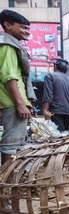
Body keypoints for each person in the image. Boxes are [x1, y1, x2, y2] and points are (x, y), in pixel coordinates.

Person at [0, 10, 37, 166]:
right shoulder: (8, 45)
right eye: (23, 28)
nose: (27, 32)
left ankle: (13, 176)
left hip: (13, 102)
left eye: (28, 29)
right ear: (7, 25)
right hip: (12, 102)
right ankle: (7, 182)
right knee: (11, 144)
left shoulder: (11, 43)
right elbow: (9, 77)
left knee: (18, 142)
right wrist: (20, 104)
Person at [42, 58, 69, 132]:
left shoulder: (50, 76)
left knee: (58, 134)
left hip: (56, 110)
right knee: (65, 133)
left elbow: (48, 96)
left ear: (56, 66)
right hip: (68, 111)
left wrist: (45, 110)